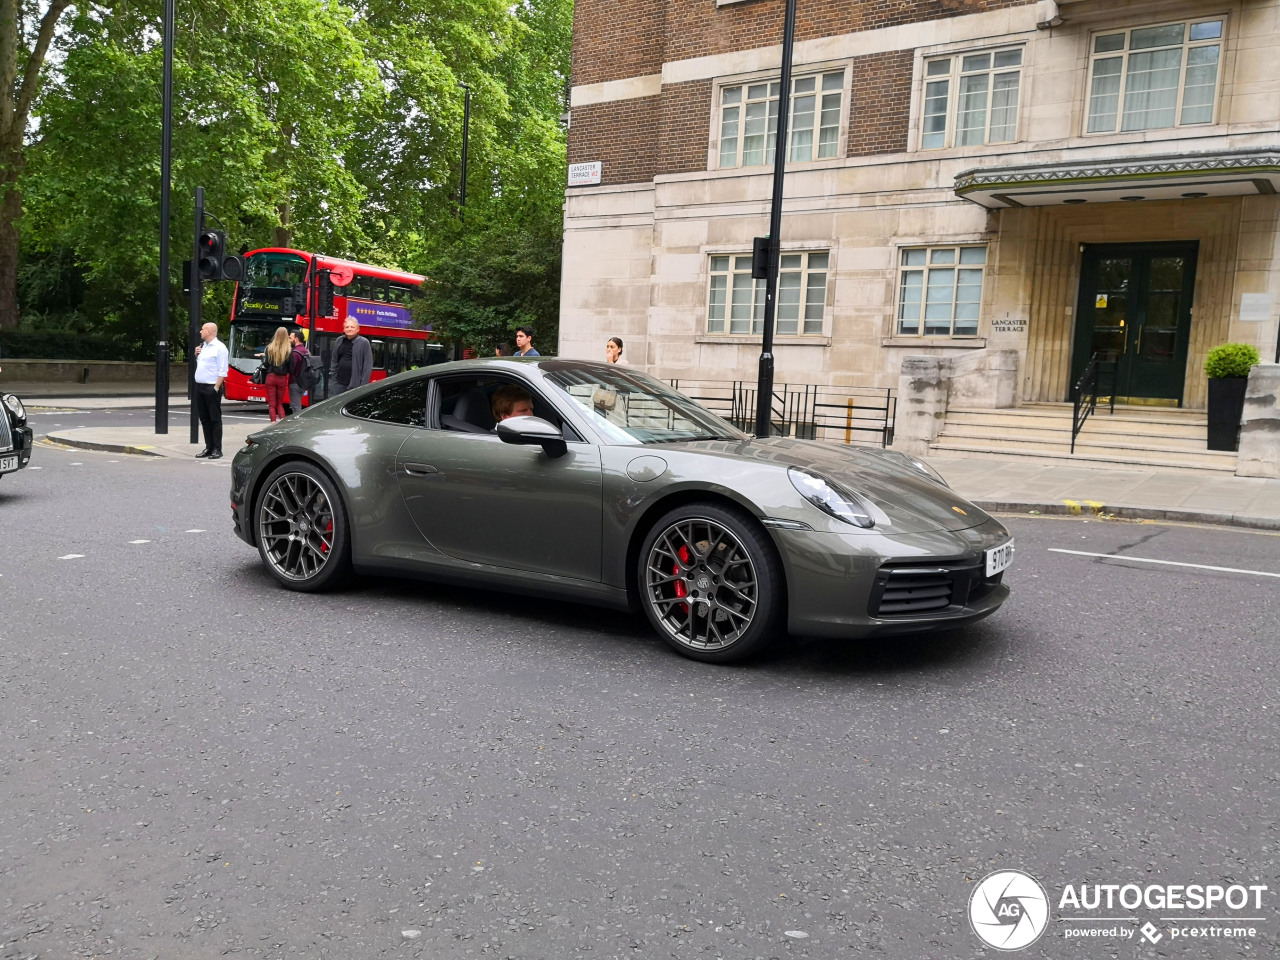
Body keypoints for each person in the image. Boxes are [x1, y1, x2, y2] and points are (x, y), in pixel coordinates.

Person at [192, 321, 228, 459]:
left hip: (212, 387)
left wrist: (216, 387)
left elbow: (223, 371)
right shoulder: (203, 346)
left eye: (203, 329)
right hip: (200, 386)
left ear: (209, 332)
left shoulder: (220, 348)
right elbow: (203, 366)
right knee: (204, 419)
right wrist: (196, 355)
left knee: (215, 419)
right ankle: (209, 447)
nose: (200, 332)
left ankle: (217, 449)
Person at [328, 317, 372, 394]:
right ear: (344, 329)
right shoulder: (339, 340)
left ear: (358, 329)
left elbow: (367, 366)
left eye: (352, 327)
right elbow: (334, 359)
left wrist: (362, 385)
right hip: (338, 383)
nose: (349, 329)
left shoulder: (364, 342)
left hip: (355, 384)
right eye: (347, 327)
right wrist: (333, 377)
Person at [261, 327, 292, 422]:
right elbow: (291, 367)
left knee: (272, 404)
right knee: (279, 403)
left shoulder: (269, 348)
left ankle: (273, 422)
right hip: (282, 378)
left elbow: (266, 364)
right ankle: (282, 421)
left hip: (271, 377)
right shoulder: (289, 350)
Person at [287, 331, 311, 413]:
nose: (289, 339)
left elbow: (291, 368)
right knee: (297, 404)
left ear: (296, 339)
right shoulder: (306, 351)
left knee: (295, 406)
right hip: (304, 383)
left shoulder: (295, 353)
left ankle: (297, 423)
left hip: (294, 382)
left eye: (290, 338)